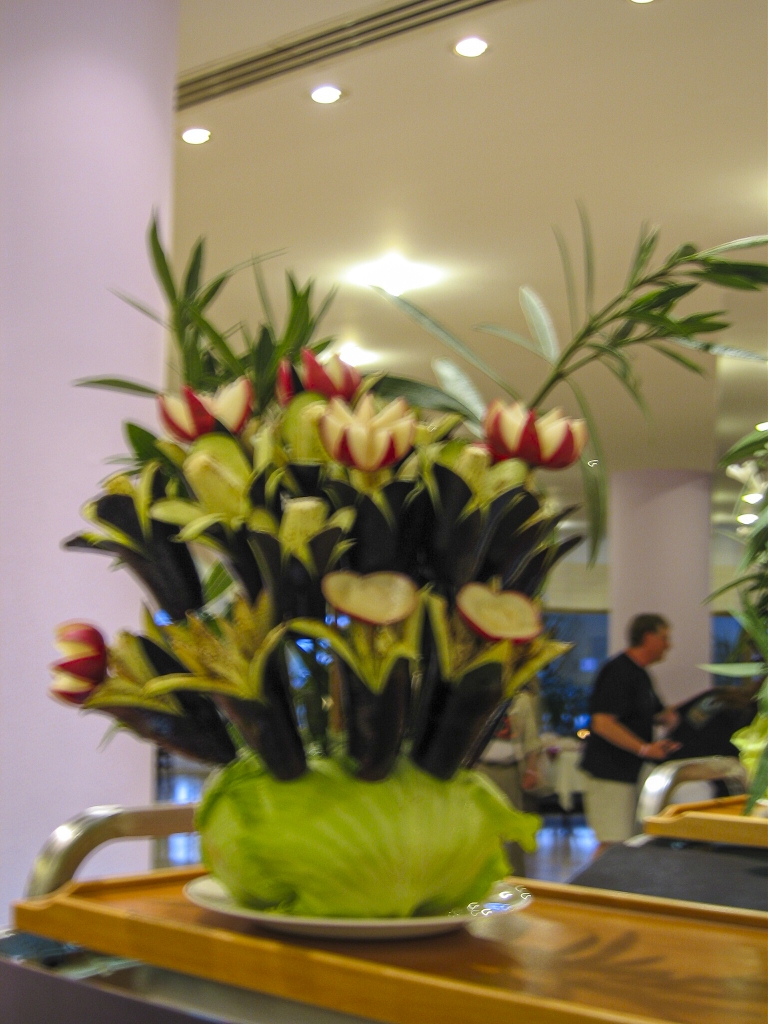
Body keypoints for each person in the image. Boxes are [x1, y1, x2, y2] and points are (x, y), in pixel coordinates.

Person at [581, 614, 680, 853]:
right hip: (610, 774)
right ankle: (595, 890)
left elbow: (655, 713)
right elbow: (602, 722)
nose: (669, 645)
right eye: (664, 638)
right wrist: (644, 748)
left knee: (625, 842)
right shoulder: (618, 671)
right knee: (612, 843)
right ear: (648, 637)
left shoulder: (641, 674)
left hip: (629, 774)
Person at [479, 684, 541, 874]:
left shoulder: (522, 701)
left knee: (512, 830)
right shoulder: (479, 694)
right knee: (482, 828)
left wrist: (531, 770)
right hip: (481, 770)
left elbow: (531, 739)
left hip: (510, 771)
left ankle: (515, 877)